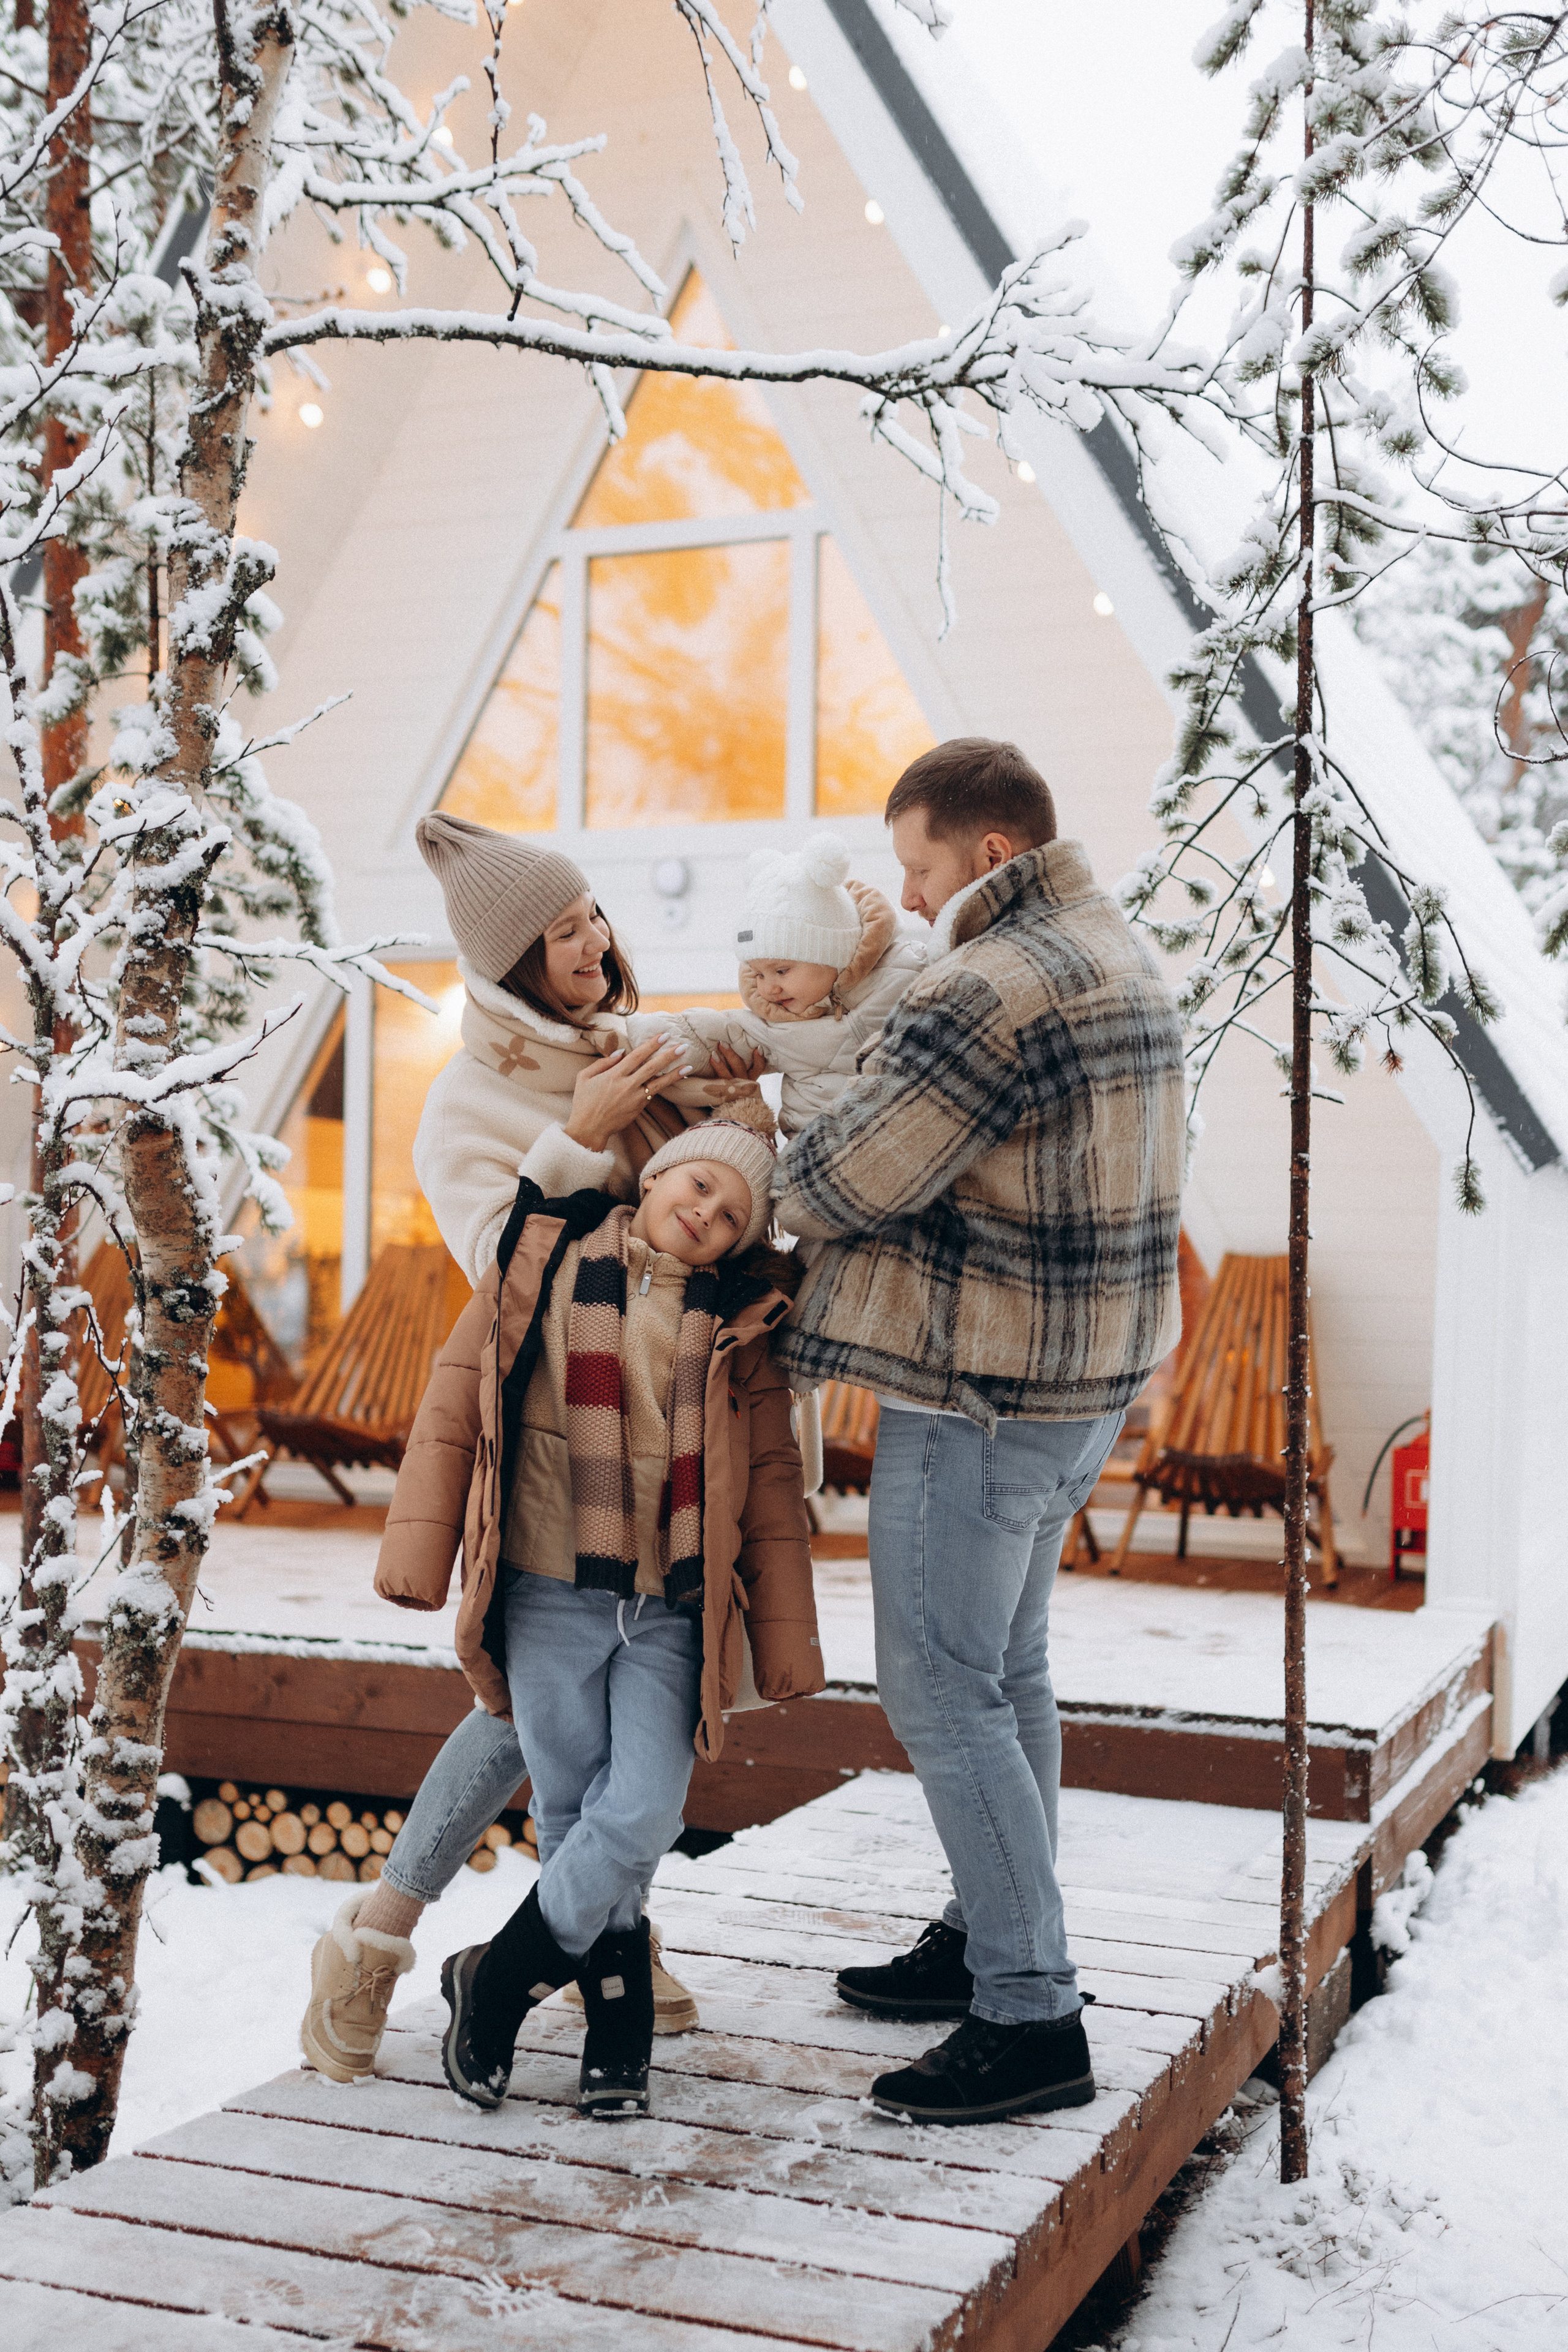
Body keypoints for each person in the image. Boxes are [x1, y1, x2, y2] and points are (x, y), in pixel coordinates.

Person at [298, 815, 769, 2082]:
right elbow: (502, 1278)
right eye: (561, 932)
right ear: (512, 961)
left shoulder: (636, 1047)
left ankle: (595, 1933)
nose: (592, 942)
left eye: (590, 914)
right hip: (557, 1464)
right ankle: (387, 1940)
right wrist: (577, 1138)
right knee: (517, 1707)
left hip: (669, 1461)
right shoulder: (470, 1102)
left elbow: (717, 1219)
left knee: (597, 1722)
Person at [771, 737, 1186, 2128]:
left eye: (919, 865)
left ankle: (1028, 2012)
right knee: (1007, 1673)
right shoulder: (1117, 951)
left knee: (942, 1690)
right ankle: (985, 1936)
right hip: (1085, 1388)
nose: (907, 895)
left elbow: (841, 1180)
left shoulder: (985, 986)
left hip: (976, 1394)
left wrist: (749, 1151)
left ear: (989, 854)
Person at [384, 1123, 821, 2118]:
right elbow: (454, 1403)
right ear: (655, 1174)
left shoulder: (745, 1324)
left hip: (670, 1605)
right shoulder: (542, 1260)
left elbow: (769, 1480)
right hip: (548, 1585)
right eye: (698, 1185)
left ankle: (497, 1980)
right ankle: (617, 2014)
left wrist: (787, 1628)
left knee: (644, 1812)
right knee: (572, 1808)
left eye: (731, 1216)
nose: (705, 1214)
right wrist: (419, 1550)